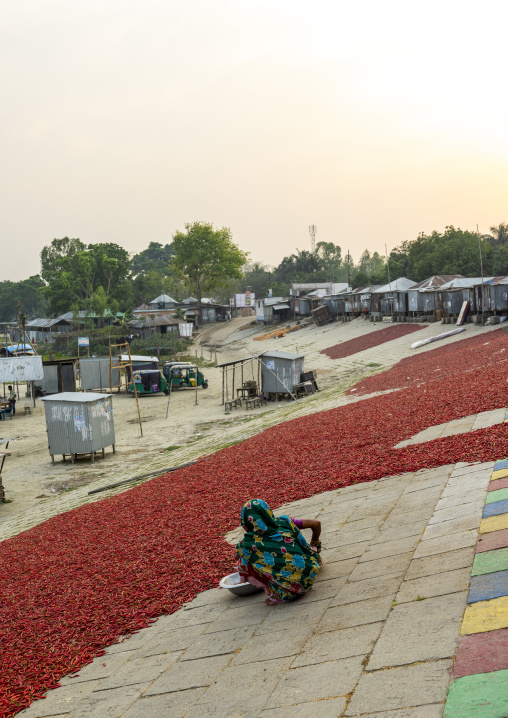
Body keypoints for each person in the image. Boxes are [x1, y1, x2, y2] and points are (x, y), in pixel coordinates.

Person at [235, 498, 321, 606]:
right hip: (310, 573)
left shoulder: (248, 542)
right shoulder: (284, 522)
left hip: (293, 589)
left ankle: (282, 593)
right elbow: (316, 523)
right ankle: (301, 582)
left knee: (244, 559)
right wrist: (314, 544)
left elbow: (236, 555)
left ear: (246, 520)